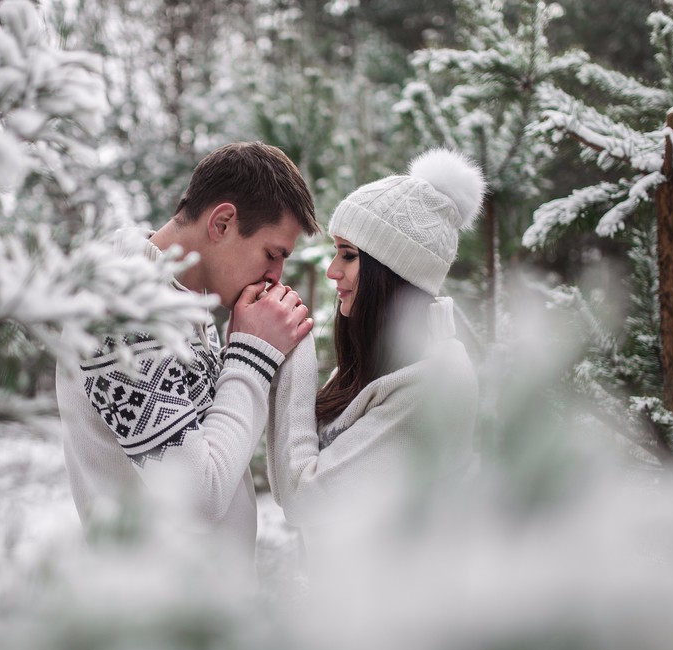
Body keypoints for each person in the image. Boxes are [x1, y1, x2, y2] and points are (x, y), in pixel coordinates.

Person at [56, 142, 319, 566]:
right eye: (272, 254)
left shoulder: (179, 301)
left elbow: (215, 448)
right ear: (223, 222)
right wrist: (253, 355)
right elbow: (197, 497)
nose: (276, 275)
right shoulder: (122, 312)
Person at [265, 148, 484, 571]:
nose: (331, 270)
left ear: (393, 271)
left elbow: (303, 498)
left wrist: (294, 353)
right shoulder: (378, 365)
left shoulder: (432, 382)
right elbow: (297, 464)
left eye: (348, 255)